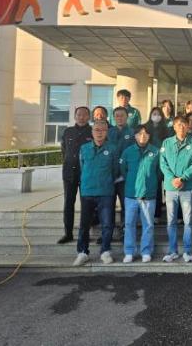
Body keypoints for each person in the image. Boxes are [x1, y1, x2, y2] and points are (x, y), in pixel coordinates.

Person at [73, 121, 119, 266]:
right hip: (87, 191)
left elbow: (115, 170)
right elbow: (82, 167)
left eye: (103, 130)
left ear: (107, 132)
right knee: (84, 224)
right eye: (96, 130)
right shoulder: (84, 148)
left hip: (106, 192)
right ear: (92, 132)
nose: (99, 133)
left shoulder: (112, 149)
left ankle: (105, 251)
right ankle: (83, 252)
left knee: (107, 224)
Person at [160, 116, 192, 263]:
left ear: (188, 126)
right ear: (174, 127)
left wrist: (183, 178)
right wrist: (172, 178)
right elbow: (163, 163)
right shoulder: (166, 142)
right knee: (171, 221)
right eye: (178, 124)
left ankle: (187, 251)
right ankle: (172, 251)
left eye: (184, 124)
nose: (181, 127)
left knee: (188, 221)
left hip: (187, 187)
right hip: (171, 188)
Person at [120, 125, 160, 263]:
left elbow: (159, 172)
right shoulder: (128, 152)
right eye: (139, 133)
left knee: (148, 224)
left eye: (145, 134)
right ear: (135, 136)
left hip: (148, 195)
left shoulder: (155, 152)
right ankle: (129, 252)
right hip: (131, 194)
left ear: (149, 136)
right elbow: (123, 170)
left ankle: (146, 251)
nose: (142, 136)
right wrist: (133, 182)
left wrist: (150, 183)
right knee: (129, 224)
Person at [58, 106, 92, 244]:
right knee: (68, 203)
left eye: (84, 115)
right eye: (79, 114)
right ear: (75, 116)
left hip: (86, 174)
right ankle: (68, 233)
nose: (81, 117)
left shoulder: (93, 131)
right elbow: (64, 150)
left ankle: (85, 234)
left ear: (89, 117)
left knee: (86, 205)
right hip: (69, 173)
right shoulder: (68, 131)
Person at [107, 106, 136, 241]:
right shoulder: (108, 132)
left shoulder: (132, 132)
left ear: (127, 117)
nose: (119, 118)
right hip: (110, 176)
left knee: (126, 205)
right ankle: (108, 232)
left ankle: (125, 231)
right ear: (114, 117)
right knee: (108, 206)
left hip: (125, 177)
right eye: (117, 116)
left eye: (122, 115)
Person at [145, 106, 167, 221]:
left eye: (158, 114)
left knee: (166, 188)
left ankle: (163, 213)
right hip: (151, 160)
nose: (156, 116)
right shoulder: (145, 128)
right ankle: (154, 214)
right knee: (155, 187)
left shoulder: (166, 129)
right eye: (154, 114)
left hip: (163, 160)